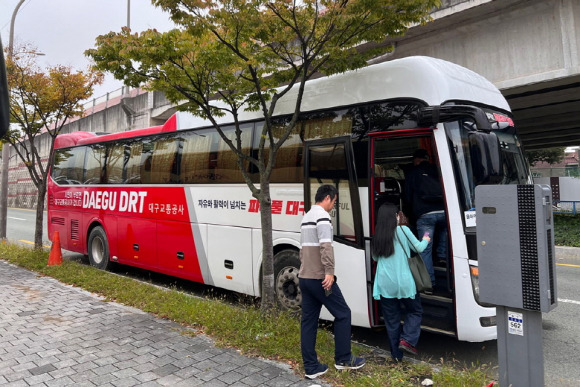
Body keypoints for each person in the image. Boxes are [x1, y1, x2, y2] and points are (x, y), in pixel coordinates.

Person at [299, 184, 365, 379]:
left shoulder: (307, 216)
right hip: (320, 278)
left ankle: (311, 367)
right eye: (334, 202)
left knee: (308, 322)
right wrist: (329, 272)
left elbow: (303, 249)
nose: (333, 206)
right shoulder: (323, 217)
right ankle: (344, 359)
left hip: (305, 277)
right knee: (343, 313)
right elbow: (326, 246)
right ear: (328, 198)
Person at [372, 203, 430, 361]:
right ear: (395, 216)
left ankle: (396, 357)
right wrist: (426, 238)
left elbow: (375, 258)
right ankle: (407, 340)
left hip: (385, 284)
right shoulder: (403, 230)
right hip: (404, 282)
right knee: (415, 311)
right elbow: (418, 248)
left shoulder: (378, 233)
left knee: (392, 321)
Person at [404, 148, 448, 287]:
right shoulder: (439, 171)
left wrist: (409, 214)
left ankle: (429, 282)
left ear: (416, 160)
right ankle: (442, 256)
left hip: (426, 217)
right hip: (443, 212)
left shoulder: (413, 173)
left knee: (425, 248)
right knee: (443, 230)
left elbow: (407, 196)